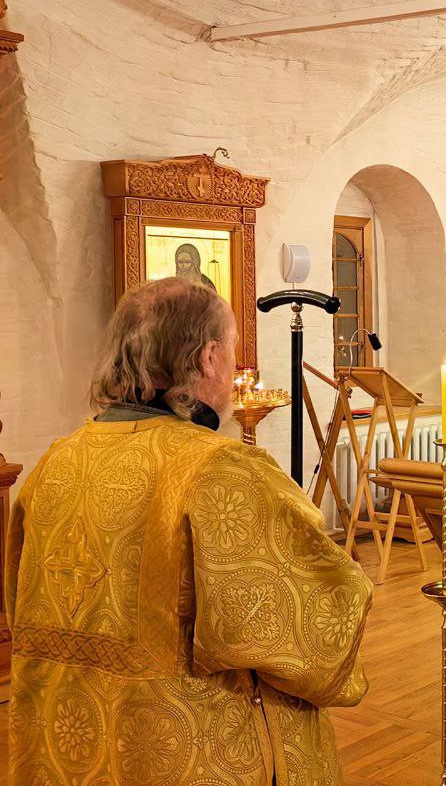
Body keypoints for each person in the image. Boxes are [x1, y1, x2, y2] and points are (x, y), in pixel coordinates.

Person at [6, 278, 372, 785]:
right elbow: (310, 619)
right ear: (207, 358)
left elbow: (17, 602)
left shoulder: (54, 465)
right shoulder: (220, 470)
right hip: (185, 752)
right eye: (232, 351)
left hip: (65, 746)